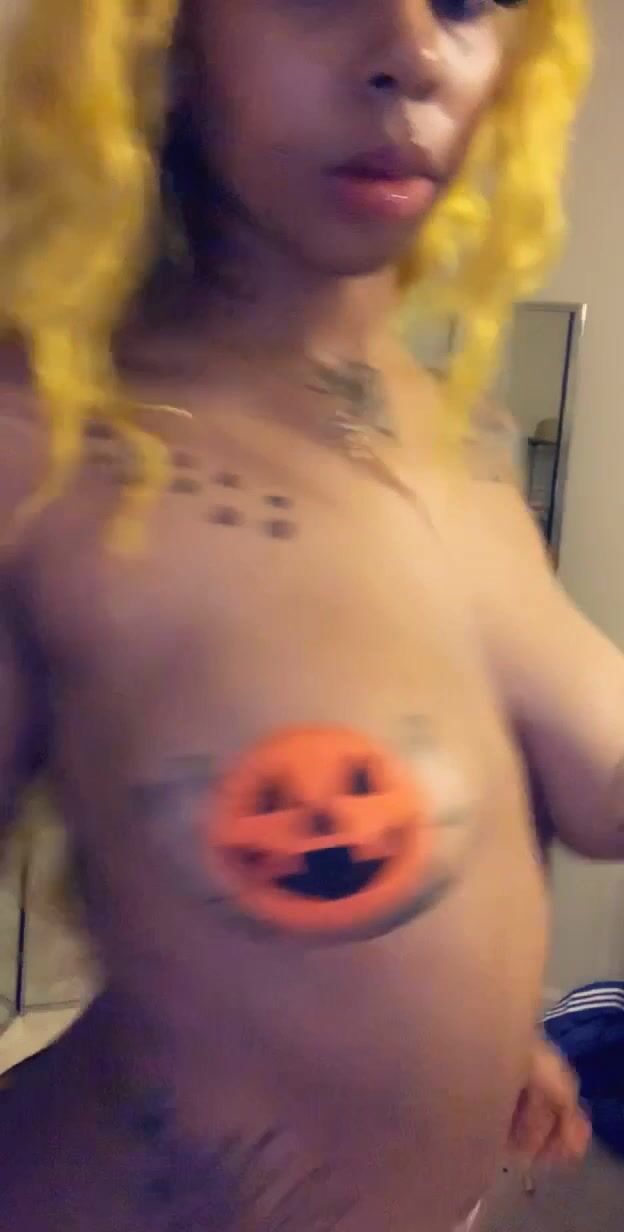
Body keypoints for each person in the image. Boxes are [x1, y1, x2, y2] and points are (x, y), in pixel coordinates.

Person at [0, 0, 611, 1228]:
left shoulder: (461, 436)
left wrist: (466, 1036)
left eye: (466, 0)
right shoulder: (44, 445)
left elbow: (452, 824)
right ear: (161, 32)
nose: (412, 54)